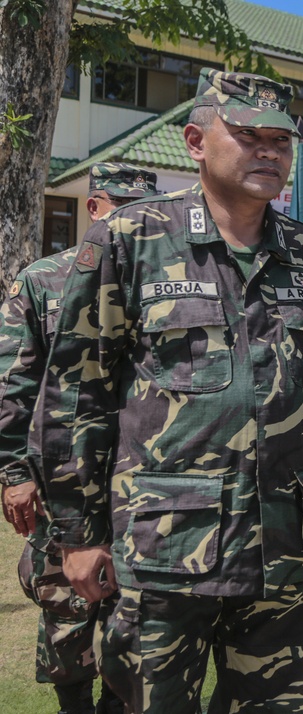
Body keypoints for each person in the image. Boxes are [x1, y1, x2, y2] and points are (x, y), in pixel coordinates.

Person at [30, 68, 303, 714]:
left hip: (284, 556)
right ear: (196, 142)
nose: (269, 151)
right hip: (164, 554)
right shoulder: (130, 241)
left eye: (281, 140)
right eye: (248, 134)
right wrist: (74, 533)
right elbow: (75, 395)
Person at [0, 162, 157, 714]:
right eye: (125, 208)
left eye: (145, 211)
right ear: (95, 208)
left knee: (134, 607)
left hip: (140, 474)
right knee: (66, 605)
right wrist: (15, 474)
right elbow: (12, 386)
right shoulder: (41, 280)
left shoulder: (155, 281)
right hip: (65, 473)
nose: (135, 223)